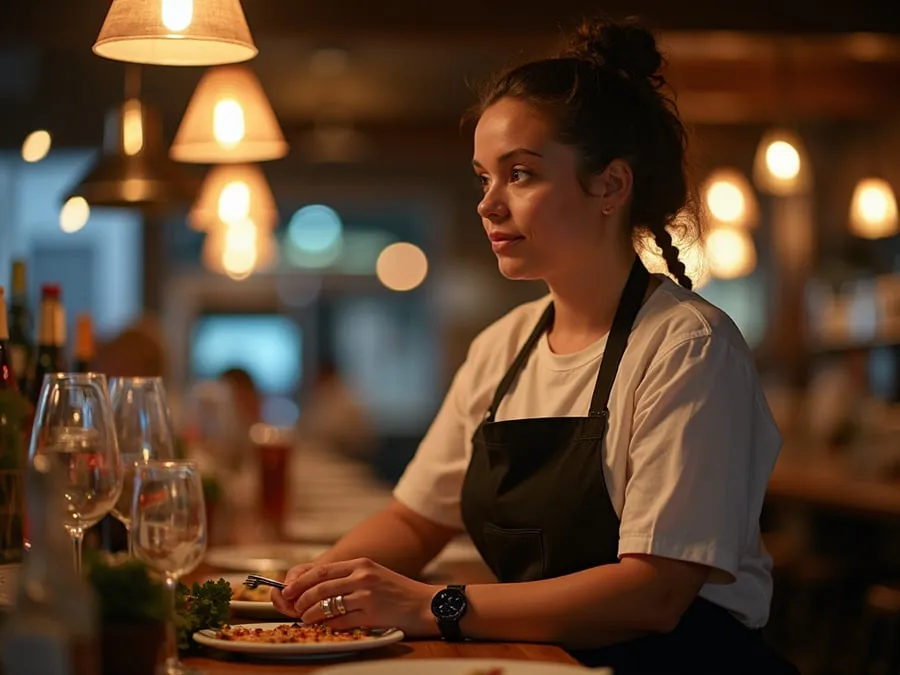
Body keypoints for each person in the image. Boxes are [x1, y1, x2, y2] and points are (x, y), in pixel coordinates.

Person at [272, 18, 796, 674]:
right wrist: (312, 586)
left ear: (610, 185)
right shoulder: (504, 345)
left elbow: (655, 593)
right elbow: (414, 521)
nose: (489, 204)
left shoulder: (689, 347)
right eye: (483, 179)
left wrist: (434, 604)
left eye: (519, 174)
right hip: (540, 659)